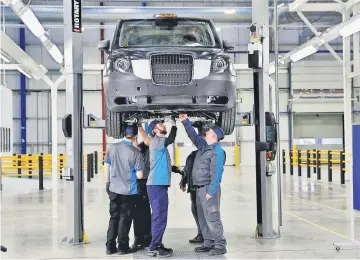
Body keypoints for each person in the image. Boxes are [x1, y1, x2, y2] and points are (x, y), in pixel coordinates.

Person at [179, 114, 227, 256]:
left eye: (209, 132)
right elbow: (193, 136)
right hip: (199, 189)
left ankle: (219, 244)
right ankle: (208, 242)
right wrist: (185, 121)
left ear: (214, 137)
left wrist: (211, 191)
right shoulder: (204, 147)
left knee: (212, 217)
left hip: (208, 189)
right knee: (202, 217)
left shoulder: (217, 152)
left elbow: (216, 174)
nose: (206, 133)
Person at [104, 125, 144, 255]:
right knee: (125, 219)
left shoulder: (113, 148)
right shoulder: (136, 153)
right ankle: (122, 247)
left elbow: (106, 166)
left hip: (114, 189)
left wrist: (107, 182)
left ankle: (110, 247)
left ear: (123, 133)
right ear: (135, 136)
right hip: (129, 191)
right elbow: (140, 175)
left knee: (113, 217)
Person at [146, 119, 177, 258]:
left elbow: (165, 164)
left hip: (159, 185)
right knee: (159, 217)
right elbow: (171, 138)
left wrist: (178, 170)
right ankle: (154, 247)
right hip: (156, 185)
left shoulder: (159, 144)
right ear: (154, 130)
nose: (163, 125)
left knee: (159, 216)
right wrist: (175, 124)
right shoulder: (156, 141)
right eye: (160, 125)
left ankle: (156, 242)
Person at [130, 124, 153, 250]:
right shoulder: (140, 148)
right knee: (139, 212)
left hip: (146, 182)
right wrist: (134, 135)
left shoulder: (152, 145)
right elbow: (135, 147)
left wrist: (139, 126)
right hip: (138, 182)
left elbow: (147, 141)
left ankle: (146, 238)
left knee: (144, 212)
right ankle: (139, 238)